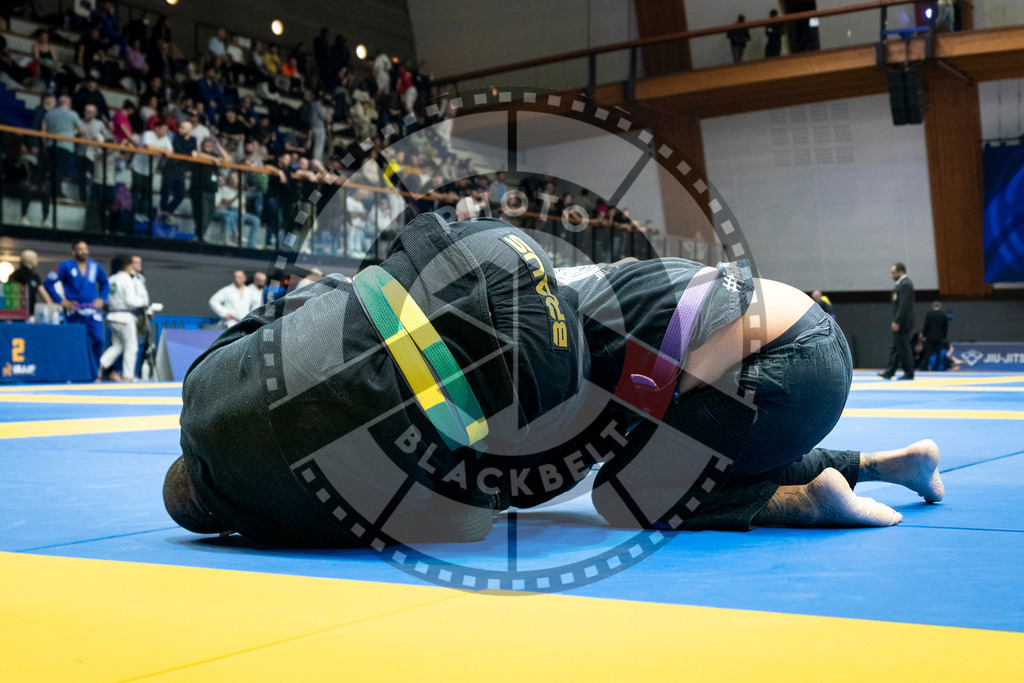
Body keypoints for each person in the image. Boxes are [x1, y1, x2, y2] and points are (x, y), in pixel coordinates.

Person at [164, 214, 590, 547]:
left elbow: (467, 520)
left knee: (492, 464)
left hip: (542, 368)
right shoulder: (199, 390)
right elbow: (295, 304)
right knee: (354, 290)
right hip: (486, 255)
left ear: (220, 527)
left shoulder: (285, 526)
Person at [554, 257, 940, 531]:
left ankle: (803, 503)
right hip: (820, 346)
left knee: (621, 491)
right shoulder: (610, 282)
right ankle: (890, 464)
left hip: (783, 368)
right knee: (714, 458)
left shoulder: (565, 326)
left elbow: (577, 452)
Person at [43, 240, 109, 372]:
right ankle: (73, 370)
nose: (83, 251)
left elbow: (105, 283)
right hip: (74, 310)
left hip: (92, 310)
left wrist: (102, 299)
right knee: (73, 341)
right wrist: (61, 301)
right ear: (73, 251)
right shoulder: (66, 266)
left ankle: (95, 371)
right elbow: (48, 282)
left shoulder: (95, 267)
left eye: (85, 249)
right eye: (79, 249)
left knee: (99, 339)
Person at [98, 255, 147, 382]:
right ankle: (128, 376)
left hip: (112, 316)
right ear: (128, 266)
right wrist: (142, 301)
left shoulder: (111, 279)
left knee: (117, 346)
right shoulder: (127, 280)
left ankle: (99, 366)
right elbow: (131, 301)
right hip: (125, 317)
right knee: (131, 347)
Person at [130, 120, 173, 221]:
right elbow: (148, 146)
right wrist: (163, 150)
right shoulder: (148, 134)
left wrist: (165, 151)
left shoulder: (166, 138)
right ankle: (133, 213)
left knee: (146, 192)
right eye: (163, 129)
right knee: (136, 191)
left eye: (167, 130)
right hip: (138, 167)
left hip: (150, 169)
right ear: (156, 129)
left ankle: (143, 213)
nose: (165, 132)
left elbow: (171, 151)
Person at [879, 262, 915, 380]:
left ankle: (909, 373)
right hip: (900, 321)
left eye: (894, 273)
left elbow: (904, 305)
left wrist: (897, 321)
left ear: (901, 272)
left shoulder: (905, 284)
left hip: (902, 323)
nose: (892, 275)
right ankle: (890, 371)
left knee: (903, 348)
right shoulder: (901, 285)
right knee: (896, 348)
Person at [41, 95, 84, 194]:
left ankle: (53, 190)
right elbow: (81, 130)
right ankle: (57, 192)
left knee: (52, 169)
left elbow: (43, 132)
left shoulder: (49, 114)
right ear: (69, 104)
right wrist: (71, 135)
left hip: (51, 145)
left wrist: (44, 145)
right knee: (60, 170)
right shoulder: (73, 114)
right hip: (65, 145)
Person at [9, 249, 53, 317]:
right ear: (30, 261)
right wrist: (52, 308)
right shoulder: (33, 276)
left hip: (14, 313)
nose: (37, 261)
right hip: (30, 314)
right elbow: (44, 295)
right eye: (36, 259)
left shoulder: (13, 275)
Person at [918, 301, 949, 371]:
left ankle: (924, 367)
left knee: (927, 353)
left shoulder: (929, 314)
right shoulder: (943, 315)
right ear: (940, 307)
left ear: (933, 306)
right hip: (939, 337)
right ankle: (936, 367)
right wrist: (944, 337)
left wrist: (924, 335)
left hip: (930, 336)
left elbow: (926, 325)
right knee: (938, 353)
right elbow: (945, 327)